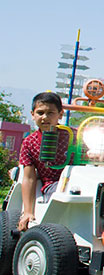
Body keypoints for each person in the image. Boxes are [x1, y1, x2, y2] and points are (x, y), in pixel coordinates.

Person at [17, 92, 70, 231]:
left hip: (78, 181)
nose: (45, 117)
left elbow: (92, 158)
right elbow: (28, 178)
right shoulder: (29, 142)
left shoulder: (74, 135)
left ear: (60, 114)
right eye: (40, 112)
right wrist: (28, 212)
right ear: (33, 114)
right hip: (53, 185)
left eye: (50, 113)